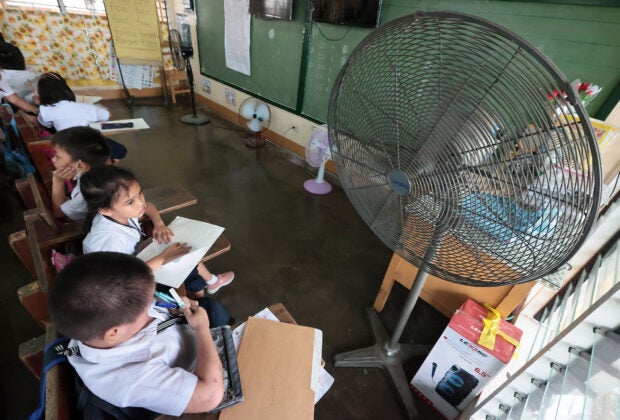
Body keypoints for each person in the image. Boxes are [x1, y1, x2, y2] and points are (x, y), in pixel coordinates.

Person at [47, 252, 230, 415]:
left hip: (183, 333)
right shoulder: (130, 379)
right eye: (146, 307)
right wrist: (202, 330)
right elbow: (210, 396)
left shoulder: (99, 326)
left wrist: (172, 308)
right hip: (202, 374)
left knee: (214, 309)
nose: (152, 304)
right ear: (114, 333)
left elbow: (152, 308)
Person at [81, 165, 235, 296]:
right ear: (106, 210)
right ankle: (205, 290)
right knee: (183, 257)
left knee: (178, 247)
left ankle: (209, 284)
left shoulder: (122, 211)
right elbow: (124, 278)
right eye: (130, 202)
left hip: (137, 259)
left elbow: (148, 206)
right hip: (125, 283)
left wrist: (159, 223)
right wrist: (162, 258)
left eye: (140, 193)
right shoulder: (109, 242)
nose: (140, 202)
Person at [36, 72, 127, 161]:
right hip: (89, 144)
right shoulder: (87, 108)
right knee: (121, 151)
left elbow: (45, 124)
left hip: (68, 146)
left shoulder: (45, 111)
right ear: (65, 88)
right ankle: (105, 168)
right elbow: (107, 115)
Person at [50, 126, 110, 221]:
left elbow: (59, 213)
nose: (53, 159)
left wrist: (58, 181)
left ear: (80, 166)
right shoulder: (98, 173)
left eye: (58, 156)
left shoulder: (87, 193)